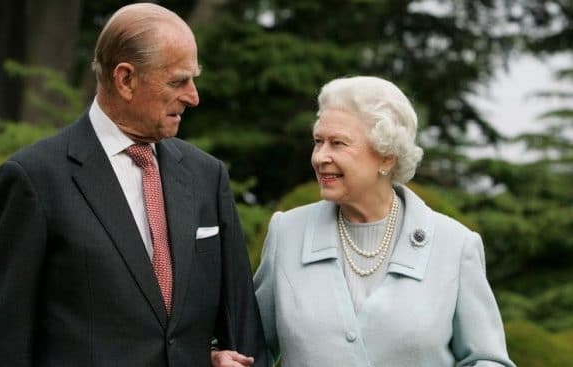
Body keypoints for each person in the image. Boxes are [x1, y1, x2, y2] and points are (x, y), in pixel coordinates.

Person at [0, 3, 266, 366]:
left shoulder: (207, 176)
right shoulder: (33, 179)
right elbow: (3, 346)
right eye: (178, 81)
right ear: (125, 79)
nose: (193, 96)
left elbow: (241, 329)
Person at [214, 76, 515, 366]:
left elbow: (487, 360)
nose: (320, 157)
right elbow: (248, 348)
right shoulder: (287, 234)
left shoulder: (455, 245)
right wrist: (216, 357)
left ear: (387, 157)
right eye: (318, 142)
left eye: (338, 143)